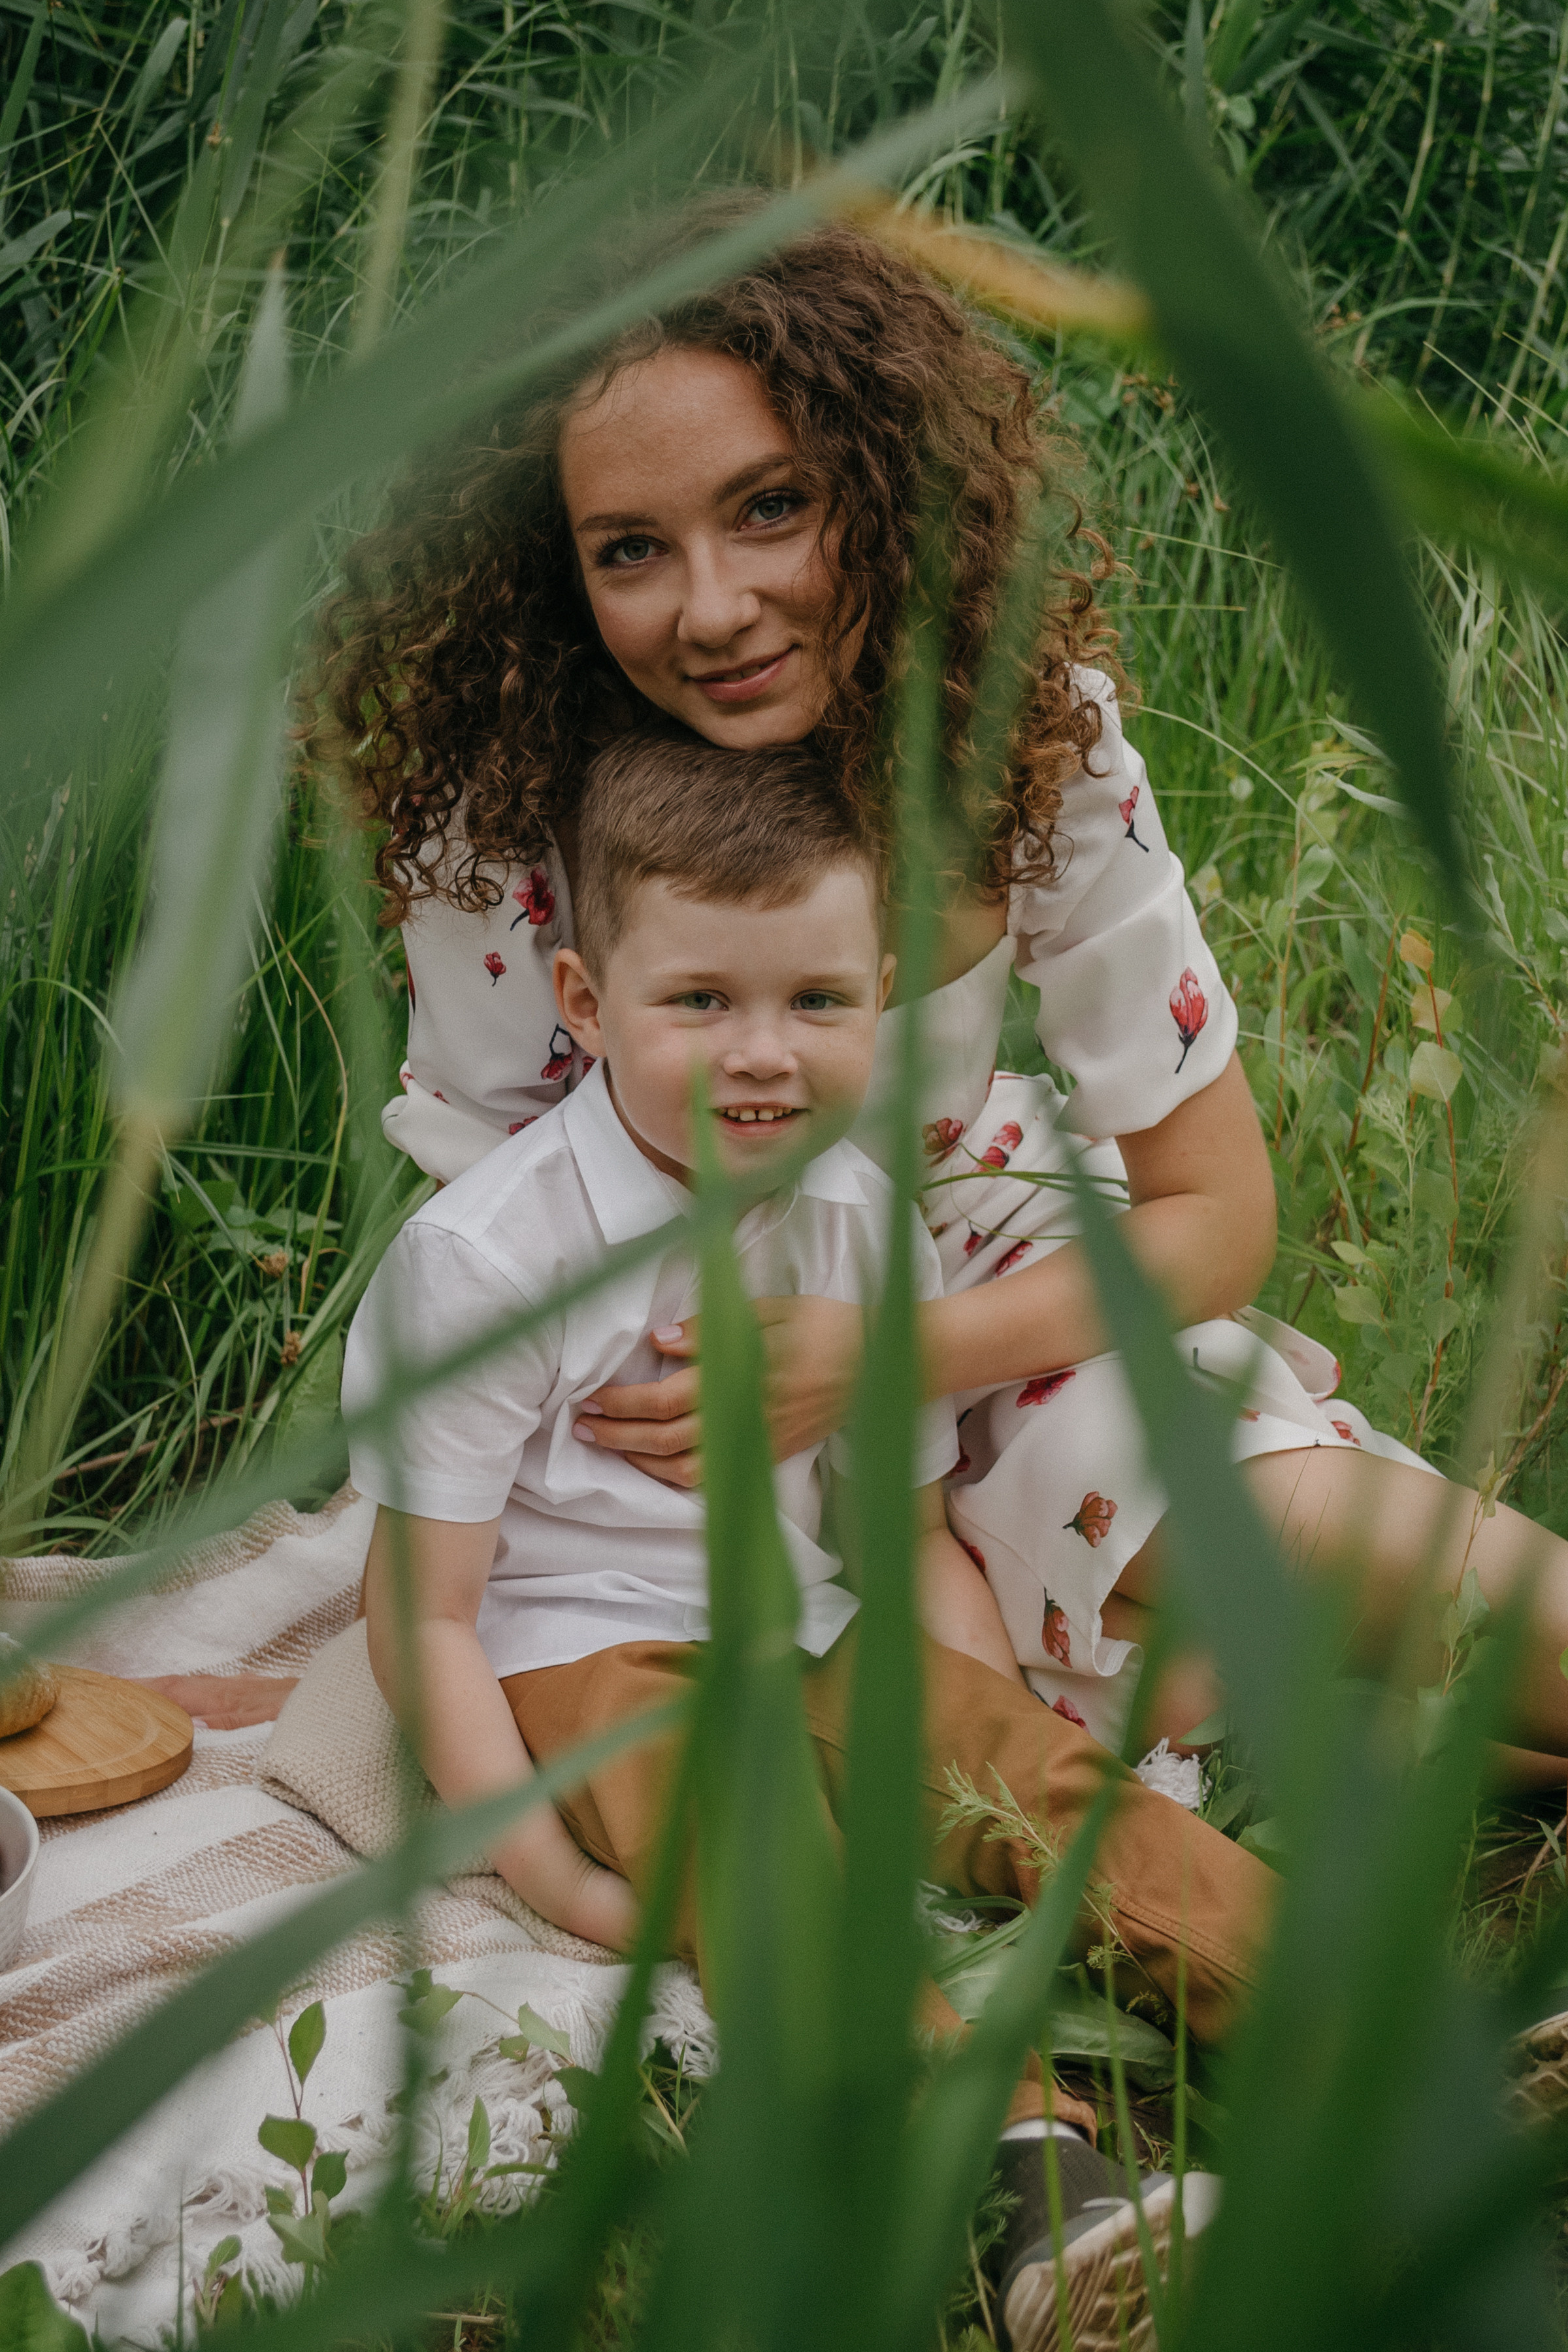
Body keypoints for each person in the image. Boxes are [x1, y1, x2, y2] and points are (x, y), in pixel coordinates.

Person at [307, 204, 1568, 1781]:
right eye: (631, 548)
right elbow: (494, 1256)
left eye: (769, 508)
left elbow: (1214, 1215)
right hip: (674, 1391)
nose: (710, 606)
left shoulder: (1034, 744)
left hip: (983, 1287)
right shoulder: (496, 831)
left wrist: (889, 1362)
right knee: (1128, 1697)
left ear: (881, 489)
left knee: (1324, 1551)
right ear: (554, 571)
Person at [342, 733, 1250, 2349]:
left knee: (1045, 1790)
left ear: (878, 996)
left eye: (817, 1004)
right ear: (582, 998)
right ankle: (1026, 2186)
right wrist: (543, 1862)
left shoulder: (854, 1221)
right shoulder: (487, 1266)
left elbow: (899, 1541)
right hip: (581, 1658)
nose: (763, 1057)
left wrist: (964, 1731)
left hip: (805, 1620)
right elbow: (423, 1617)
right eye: (702, 1002)